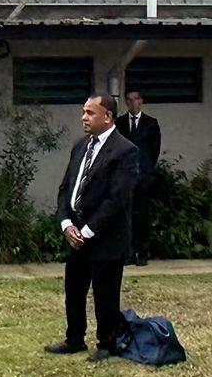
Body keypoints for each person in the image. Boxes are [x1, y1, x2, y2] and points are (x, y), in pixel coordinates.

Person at [45, 94, 141, 358]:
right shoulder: (80, 146)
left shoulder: (124, 151)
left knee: (105, 294)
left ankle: (106, 344)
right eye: (84, 112)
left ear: (107, 116)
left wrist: (88, 231)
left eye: (90, 113)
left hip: (105, 237)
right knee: (74, 289)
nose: (83, 118)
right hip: (76, 232)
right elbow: (66, 188)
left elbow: (116, 199)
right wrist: (66, 223)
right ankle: (74, 338)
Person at [120, 89, 162, 265]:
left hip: (143, 177)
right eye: (129, 100)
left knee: (142, 215)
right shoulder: (120, 123)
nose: (133, 103)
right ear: (126, 103)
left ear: (141, 101)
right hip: (125, 178)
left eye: (136, 99)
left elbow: (154, 150)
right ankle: (128, 252)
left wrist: (146, 172)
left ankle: (142, 252)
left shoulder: (151, 123)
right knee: (126, 216)